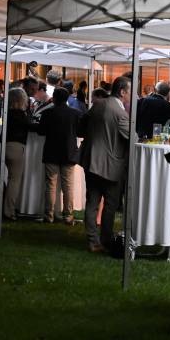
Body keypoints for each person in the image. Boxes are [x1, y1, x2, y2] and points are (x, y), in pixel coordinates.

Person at [78, 77, 131, 253]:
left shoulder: (98, 104)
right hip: (111, 164)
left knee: (92, 202)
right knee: (110, 204)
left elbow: (81, 126)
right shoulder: (120, 112)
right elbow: (132, 138)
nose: (132, 95)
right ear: (122, 92)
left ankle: (93, 240)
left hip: (91, 160)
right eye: (130, 91)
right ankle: (105, 240)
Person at [38, 87, 81, 224]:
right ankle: (68, 216)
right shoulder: (75, 113)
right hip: (68, 152)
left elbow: (41, 131)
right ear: (67, 98)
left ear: (54, 98)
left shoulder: (48, 113)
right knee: (68, 185)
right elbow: (80, 132)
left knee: (50, 184)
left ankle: (48, 215)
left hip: (51, 151)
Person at [3, 88, 36, 220]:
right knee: (14, 180)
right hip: (16, 146)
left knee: (11, 179)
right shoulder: (20, 114)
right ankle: (9, 211)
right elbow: (31, 126)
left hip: (6, 146)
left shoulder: (7, 112)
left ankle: (7, 209)